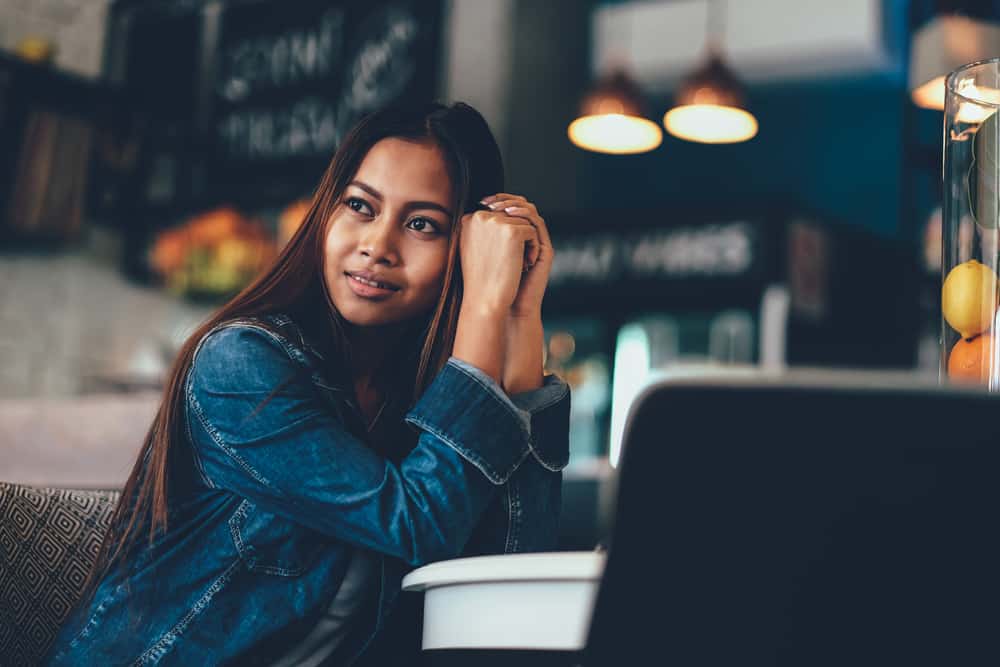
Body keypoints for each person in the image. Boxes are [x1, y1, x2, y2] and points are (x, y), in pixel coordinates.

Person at [44, 101, 570, 666]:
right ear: (326, 213)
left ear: (465, 254)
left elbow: (509, 566)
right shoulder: (240, 366)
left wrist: (519, 311)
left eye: (422, 224)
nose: (377, 246)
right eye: (360, 206)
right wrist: (484, 307)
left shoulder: (416, 400)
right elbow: (420, 522)